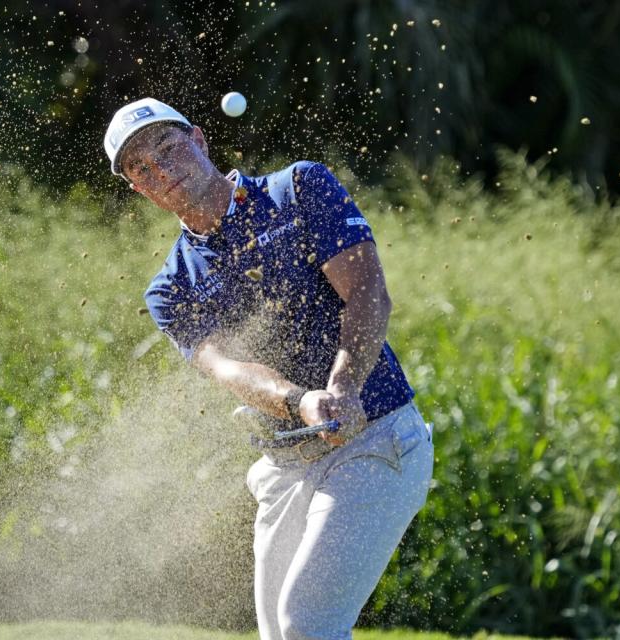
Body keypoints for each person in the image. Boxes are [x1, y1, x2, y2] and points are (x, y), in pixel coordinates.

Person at [104, 97, 433, 640]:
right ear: (139, 188)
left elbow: (368, 293)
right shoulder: (170, 287)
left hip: (376, 439)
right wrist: (297, 402)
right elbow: (224, 365)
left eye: (167, 146)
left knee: (307, 624)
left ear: (200, 141)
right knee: (281, 635)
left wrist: (341, 388)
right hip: (284, 465)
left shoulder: (298, 189)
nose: (161, 168)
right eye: (141, 167)